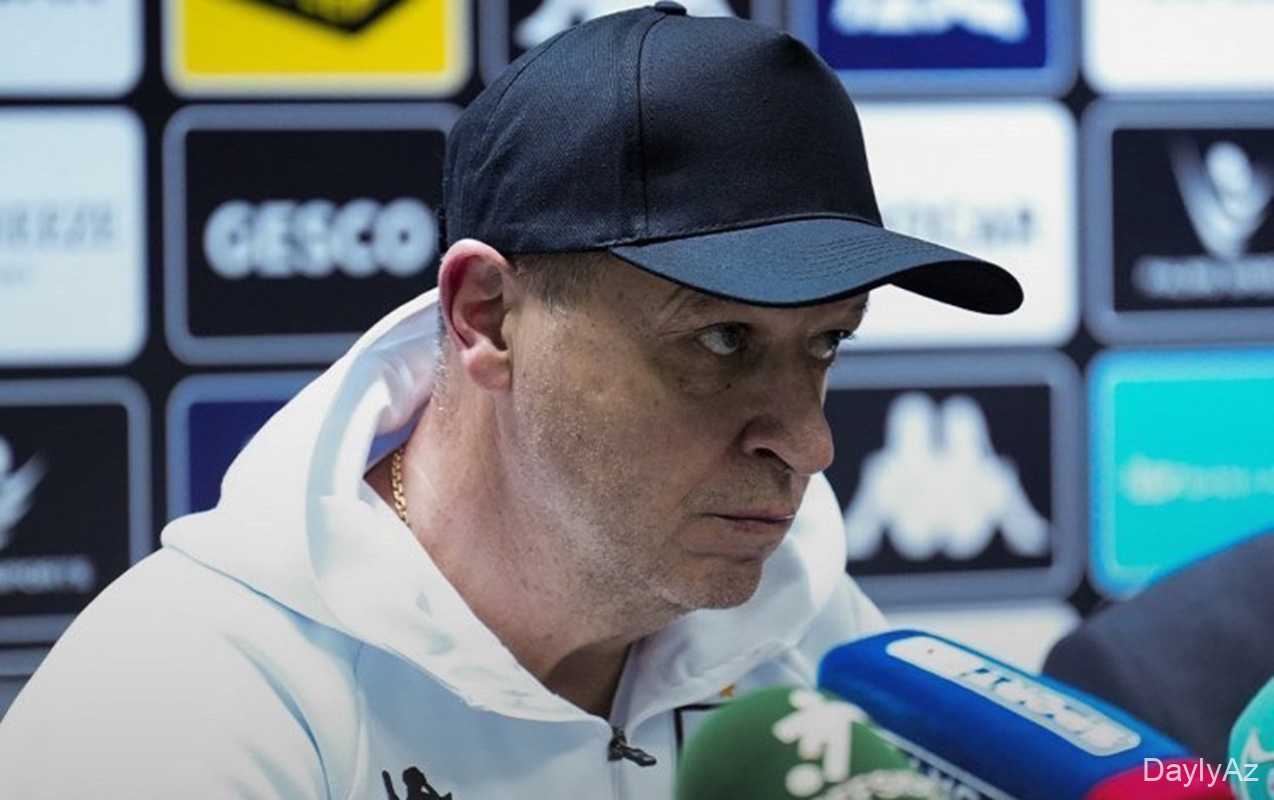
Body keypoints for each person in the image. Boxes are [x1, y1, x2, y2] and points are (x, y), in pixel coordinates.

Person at [0, 4, 1021, 796]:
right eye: (720, 340)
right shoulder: (178, 699)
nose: (807, 442)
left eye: (826, 343)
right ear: (486, 315)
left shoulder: (810, 628)